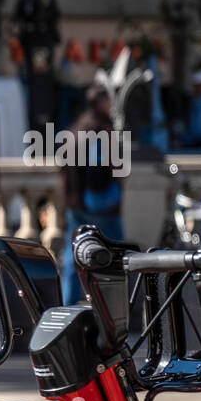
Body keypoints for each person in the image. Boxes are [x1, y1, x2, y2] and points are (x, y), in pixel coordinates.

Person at [59, 85, 124, 305]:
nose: (111, 106)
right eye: (108, 102)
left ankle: (68, 304)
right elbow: (111, 166)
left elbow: (64, 169)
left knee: (73, 254)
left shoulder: (75, 129)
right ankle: (115, 305)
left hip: (77, 202)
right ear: (101, 104)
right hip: (101, 202)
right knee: (115, 255)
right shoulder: (103, 130)